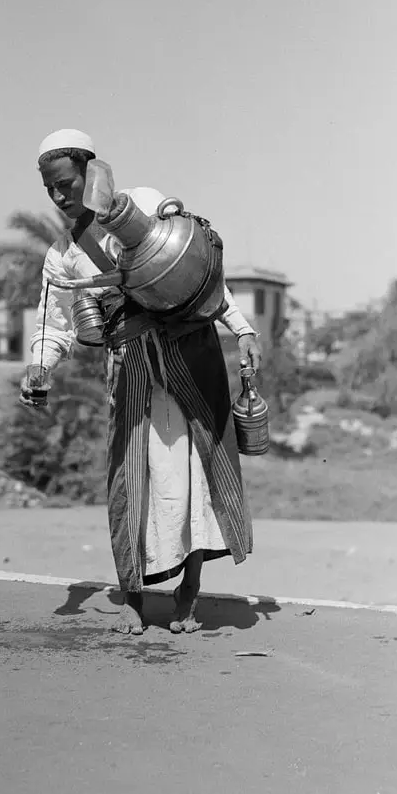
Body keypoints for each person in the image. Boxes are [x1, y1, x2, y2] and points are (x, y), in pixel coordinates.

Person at [21, 129, 261, 635]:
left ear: (91, 172)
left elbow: (199, 272)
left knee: (198, 472)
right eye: (50, 189)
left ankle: (188, 596)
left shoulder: (144, 205)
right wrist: (39, 365)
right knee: (132, 480)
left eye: (66, 183)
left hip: (191, 358)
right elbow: (54, 327)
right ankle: (132, 597)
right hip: (130, 369)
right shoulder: (63, 256)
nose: (60, 196)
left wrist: (241, 329)